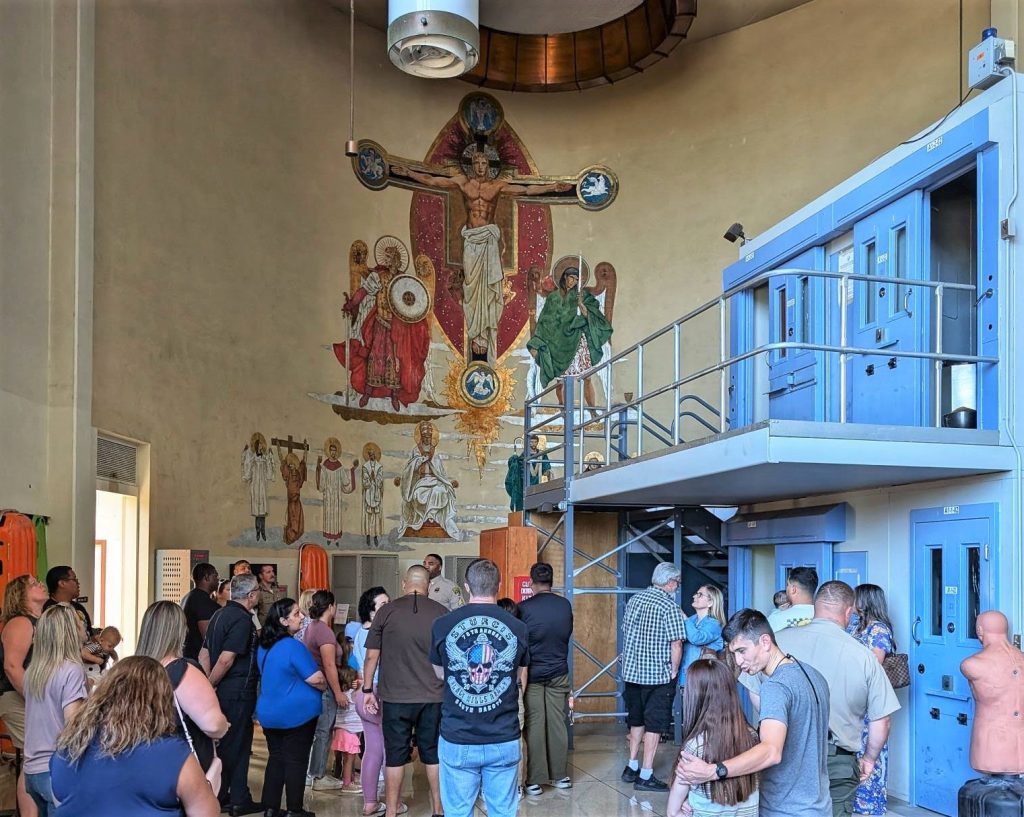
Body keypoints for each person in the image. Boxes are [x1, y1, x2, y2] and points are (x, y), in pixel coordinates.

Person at [395, 150, 571, 364]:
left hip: (488, 241)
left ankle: (485, 333)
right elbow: (433, 181)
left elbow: (527, 188)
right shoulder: (462, 183)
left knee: (489, 288)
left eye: (483, 162)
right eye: (476, 162)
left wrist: (552, 187)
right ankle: (476, 333)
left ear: (489, 165)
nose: (480, 166)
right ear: (471, 164)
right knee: (471, 286)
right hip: (471, 241)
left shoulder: (496, 186)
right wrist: (407, 173)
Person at [743, 582, 899, 816]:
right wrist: (869, 759)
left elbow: (754, 688)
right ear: (849, 612)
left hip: (784, 752)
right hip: (838, 761)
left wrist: (774, 722)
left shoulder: (779, 643)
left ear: (815, 607)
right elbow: (881, 720)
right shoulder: (864, 657)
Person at [676, 608, 831, 817]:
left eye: (742, 651)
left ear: (765, 642)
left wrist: (713, 771)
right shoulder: (813, 675)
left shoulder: (775, 687)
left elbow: (771, 751)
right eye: (734, 654)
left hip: (785, 809)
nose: (739, 662)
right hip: (819, 806)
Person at [50, 656, 221, 817]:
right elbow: (206, 813)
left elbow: (60, 800)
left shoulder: (69, 747)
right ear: (160, 700)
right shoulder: (172, 753)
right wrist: (210, 782)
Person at [430, 559, 529, 817]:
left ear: (465, 587)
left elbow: (440, 674)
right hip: (503, 735)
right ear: (498, 585)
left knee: (458, 812)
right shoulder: (519, 628)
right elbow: (515, 674)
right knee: (503, 811)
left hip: (458, 734)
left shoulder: (442, 625)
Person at [362, 566, 447, 817]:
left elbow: (371, 656)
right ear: (429, 586)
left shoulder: (386, 611)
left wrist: (368, 689)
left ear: (404, 585)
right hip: (434, 696)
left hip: (395, 697)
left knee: (396, 756)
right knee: (433, 754)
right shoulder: (442, 613)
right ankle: (439, 810)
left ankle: (390, 811)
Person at [136, 601, 229, 787]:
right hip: (181, 768)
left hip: (141, 766)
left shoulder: (131, 671)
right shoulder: (182, 670)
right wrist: (224, 725)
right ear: (180, 631)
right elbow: (212, 725)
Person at [619, 562, 687, 791]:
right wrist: (675, 669)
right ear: (670, 583)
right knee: (655, 725)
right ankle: (646, 774)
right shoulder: (669, 606)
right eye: (676, 583)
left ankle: (632, 766)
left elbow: (626, 631)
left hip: (632, 673)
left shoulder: (635, 600)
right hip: (658, 676)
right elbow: (676, 642)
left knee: (636, 719)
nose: (677, 587)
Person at [256, 598, 326, 817]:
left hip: (269, 712)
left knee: (276, 758)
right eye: (296, 614)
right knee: (296, 760)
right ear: (283, 621)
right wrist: (324, 685)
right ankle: (294, 809)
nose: (302, 616)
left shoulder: (264, 646)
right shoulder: (293, 646)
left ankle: (270, 807)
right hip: (297, 715)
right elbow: (315, 678)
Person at [199, 573, 262, 816]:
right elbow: (227, 659)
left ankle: (225, 794)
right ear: (251, 595)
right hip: (237, 690)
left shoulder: (218, 614)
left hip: (220, 689)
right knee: (239, 744)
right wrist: (212, 683)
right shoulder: (243, 620)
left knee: (224, 744)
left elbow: (204, 652)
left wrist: (206, 683)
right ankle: (236, 798)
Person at [667, 659, 758, 817]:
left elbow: (673, 812)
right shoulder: (753, 738)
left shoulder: (695, 747)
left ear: (695, 696)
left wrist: (687, 804)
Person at [23, 605, 87, 816]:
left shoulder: (34, 671)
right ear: (69, 631)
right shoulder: (71, 669)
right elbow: (73, 726)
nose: (84, 626)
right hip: (56, 770)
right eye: (79, 623)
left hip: (32, 771)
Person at [518, 562, 573, 796]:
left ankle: (535, 780)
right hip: (559, 671)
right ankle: (560, 775)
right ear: (551, 581)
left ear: (531, 582)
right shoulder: (564, 605)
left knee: (535, 725)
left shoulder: (524, 607)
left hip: (533, 674)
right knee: (558, 723)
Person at [526, 266, 613, 408]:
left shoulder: (582, 295)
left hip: (577, 339)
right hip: (557, 342)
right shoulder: (553, 297)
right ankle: (563, 407)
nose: (573, 282)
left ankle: (591, 409)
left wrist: (580, 304)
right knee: (561, 381)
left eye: (576, 279)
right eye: (571, 278)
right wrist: (541, 340)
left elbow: (591, 315)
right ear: (564, 277)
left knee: (587, 377)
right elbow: (545, 320)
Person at [846, 584, 898, 815]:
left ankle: (870, 807)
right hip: (851, 700)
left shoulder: (879, 630)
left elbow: (874, 665)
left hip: (868, 701)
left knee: (870, 753)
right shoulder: (854, 626)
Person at [0, 574, 49, 816]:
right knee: (35, 757)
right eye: (33, 584)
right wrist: (35, 700)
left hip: (33, 698)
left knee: (38, 756)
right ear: (21, 595)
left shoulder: (40, 622)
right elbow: (12, 666)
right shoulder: (21, 622)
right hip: (17, 697)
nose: (40, 584)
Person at [303, 590, 347, 791]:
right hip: (325, 687)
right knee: (323, 731)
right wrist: (338, 692)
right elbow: (329, 665)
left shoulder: (313, 627)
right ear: (330, 607)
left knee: (320, 730)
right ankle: (318, 775)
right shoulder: (324, 631)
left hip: (315, 686)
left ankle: (314, 772)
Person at [352, 586, 390, 817]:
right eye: (383, 605)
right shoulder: (376, 635)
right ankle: (393, 803)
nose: (389, 607)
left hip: (363, 695)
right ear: (371, 611)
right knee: (387, 750)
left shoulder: (359, 632)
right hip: (376, 693)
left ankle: (370, 803)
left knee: (373, 750)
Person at [394, 421, 460, 539]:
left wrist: (448, 482)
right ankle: (424, 519)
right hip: (420, 481)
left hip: (434, 480)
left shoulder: (436, 452)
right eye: (424, 437)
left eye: (429, 437)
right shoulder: (416, 450)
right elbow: (410, 468)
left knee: (441, 491)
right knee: (419, 494)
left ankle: (433, 518)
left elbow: (440, 472)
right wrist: (420, 460)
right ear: (421, 437)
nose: (427, 439)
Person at [680, 585, 726, 688]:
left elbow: (697, 638)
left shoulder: (714, 624)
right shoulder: (691, 620)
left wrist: (683, 617)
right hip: (686, 676)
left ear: (710, 602)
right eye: (696, 594)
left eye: (700, 595)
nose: (694, 596)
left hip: (705, 679)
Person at [316, 438, 357, 540]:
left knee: (336, 514)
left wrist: (352, 470)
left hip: (337, 495)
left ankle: (336, 536)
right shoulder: (325, 465)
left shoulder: (339, 465)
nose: (333, 453)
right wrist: (318, 466)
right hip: (328, 496)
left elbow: (345, 481)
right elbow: (322, 482)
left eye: (335, 451)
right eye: (331, 451)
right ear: (329, 452)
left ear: (337, 452)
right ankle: (328, 535)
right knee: (329, 513)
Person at [332, 665, 363, 793]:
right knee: (349, 759)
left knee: (345, 758)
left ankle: (348, 777)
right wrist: (361, 684)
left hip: (341, 730)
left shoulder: (339, 696)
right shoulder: (353, 694)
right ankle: (347, 784)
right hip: (349, 732)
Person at [242, 432, 276, 541]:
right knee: (257, 512)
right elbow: (247, 466)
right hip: (256, 485)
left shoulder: (265, 458)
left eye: (262, 445)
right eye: (259, 445)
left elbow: (269, 472)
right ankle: (257, 531)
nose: (261, 447)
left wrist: (270, 457)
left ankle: (263, 531)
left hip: (263, 487)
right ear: (256, 446)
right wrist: (246, 453)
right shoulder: (253, 458)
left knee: (263, 512)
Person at [183, 562, 220, 660]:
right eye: (215, 576)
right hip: (198, 658)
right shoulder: (203, 602)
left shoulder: (187, 597)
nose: (218, 580)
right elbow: (208, 638)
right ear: (207, 577)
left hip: (188, 655)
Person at [276, 442, 309, 545]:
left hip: (297, 500)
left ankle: (295, 534)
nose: (291, 466)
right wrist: (278, 448)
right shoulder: (288, 474)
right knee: (292, 520)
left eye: (292, 464)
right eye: (289, 464)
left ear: (295, 464)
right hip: (291, 500)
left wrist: (305, 450)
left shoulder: (299, 474)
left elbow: (304, 463)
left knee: (298, 522)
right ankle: (290, 537)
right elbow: (282, 461)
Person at [766, 566, 817, 632]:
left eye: (788, 585)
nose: (786, 588)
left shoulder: (776, 619)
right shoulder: (826, 616)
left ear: (793, 589)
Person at [361, 443, 385, 547]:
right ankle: (367, 535)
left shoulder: (379, 467)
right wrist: (370, 478)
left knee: (376, 516)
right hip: (368, 493)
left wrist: (375, 478)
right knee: (368, 516)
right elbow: (364, 482)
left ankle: (375, 536)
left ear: (375, 455)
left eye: (373, 454)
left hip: (376, 493)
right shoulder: (365, 467)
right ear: (368, 455)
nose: (372, 456)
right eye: (370, 454)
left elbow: (380, 481)